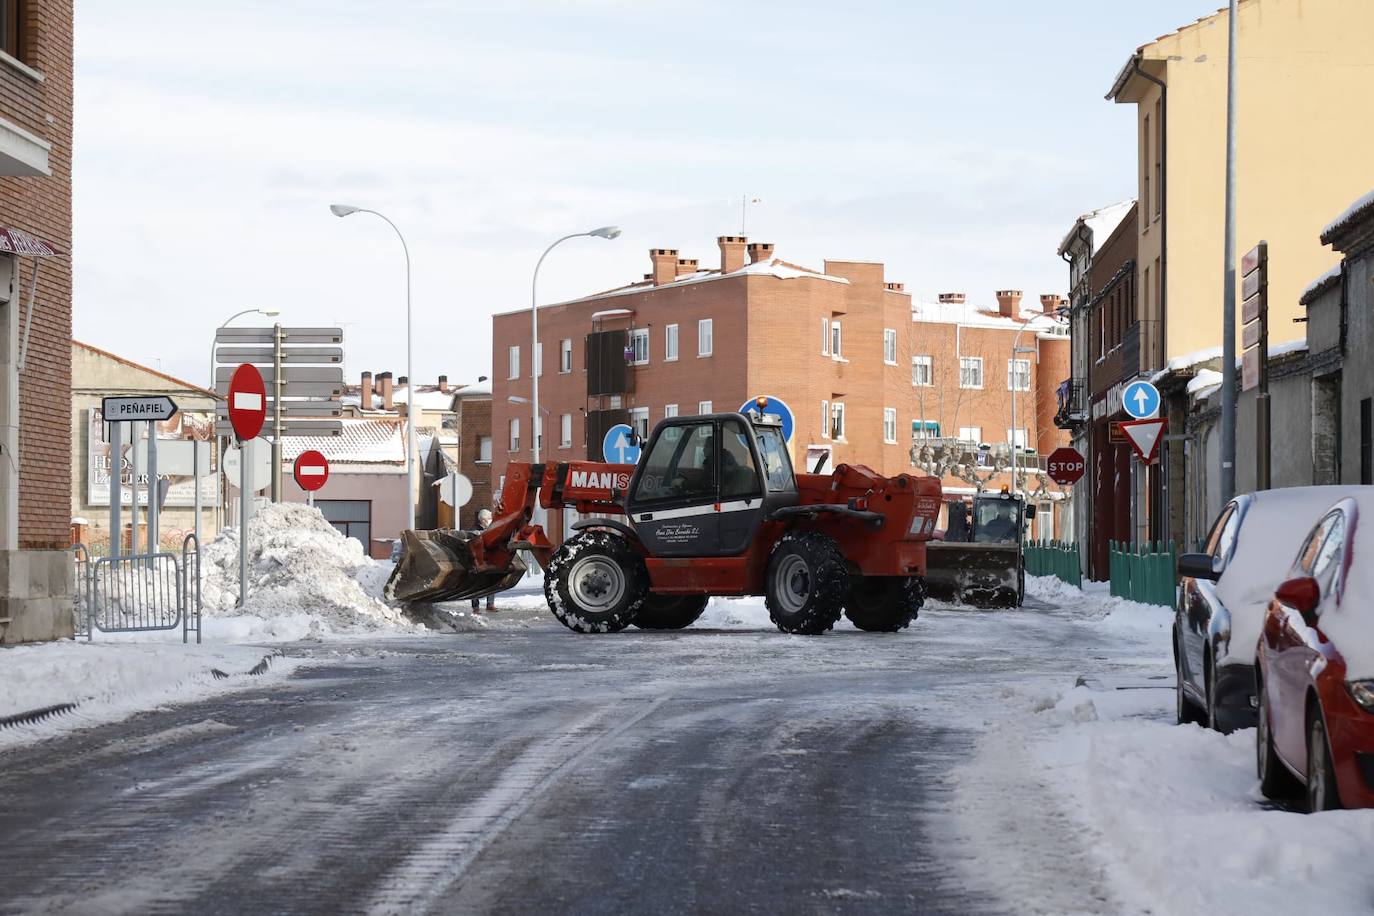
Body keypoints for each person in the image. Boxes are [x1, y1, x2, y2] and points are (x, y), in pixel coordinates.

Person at [471, 508, 496, 613]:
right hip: (478, 560)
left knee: (491, 582)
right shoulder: (475, 531)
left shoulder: (491, 530)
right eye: (488, 518)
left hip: (488, 559)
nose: (490, 521)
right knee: (476, 584)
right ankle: (475, 607)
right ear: (482, 520)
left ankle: (490, 604)